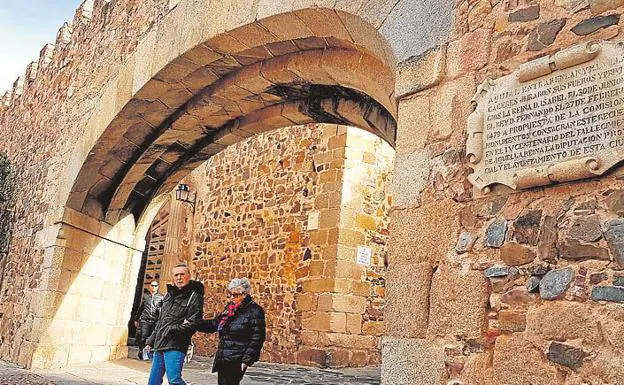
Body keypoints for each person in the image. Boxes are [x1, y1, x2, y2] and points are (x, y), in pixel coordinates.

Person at [189, 278, 266, 385]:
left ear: (245, 294)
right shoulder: (230, 308)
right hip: (224, 356)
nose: (232, 297)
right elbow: (215, 324)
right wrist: (193, 323)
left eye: (236, 295)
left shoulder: (255, 311)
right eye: (230, 294)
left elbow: (258, 337)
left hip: (237, 358)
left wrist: (247, 359)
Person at [145, 264, 204, 385]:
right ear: (172, 277)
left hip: (176, 344)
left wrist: (171, 329)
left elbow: (193, 323)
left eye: (182, 274)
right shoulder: (168, 295)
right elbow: (161, 321)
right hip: (160, 343)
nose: (179, 278)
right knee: (153, 382)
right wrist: (150, 341)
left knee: (174, 381)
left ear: (189, 276)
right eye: (176, 275)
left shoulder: (194, 296)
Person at [134, 280, 164, 359]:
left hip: (155, 320)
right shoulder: (145, 296)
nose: (154, 287)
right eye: (152, 285)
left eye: (155, 286)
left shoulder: (161, 297)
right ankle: (142, 352)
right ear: (149, 286)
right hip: (145, 320)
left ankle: (149, 353)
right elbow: (141, 308)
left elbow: (163, 309)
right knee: (143, 336)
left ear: (157, 287)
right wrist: (136, 319)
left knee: (153, 337)